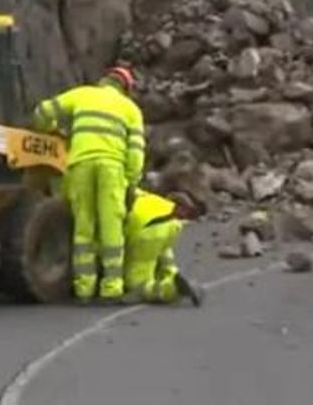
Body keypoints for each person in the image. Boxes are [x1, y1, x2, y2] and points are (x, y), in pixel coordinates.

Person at [33, 66, 146, 303]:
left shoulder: (83, 94)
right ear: (125, 88)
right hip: (111, 169)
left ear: (104, 80)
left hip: (80, 165)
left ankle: (84, 288)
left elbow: (42, 112)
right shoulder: (131, 110)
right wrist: (131, 184)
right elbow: (135, 154)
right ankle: (111, 287)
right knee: (110, 226)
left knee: (84, 226)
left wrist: (52, 130)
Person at [123, 188, 206, 307]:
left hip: (146, 230)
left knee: (137, 285)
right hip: (169, 225)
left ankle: (171, 289)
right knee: (163, 253)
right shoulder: (143, 194)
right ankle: (172, 275)